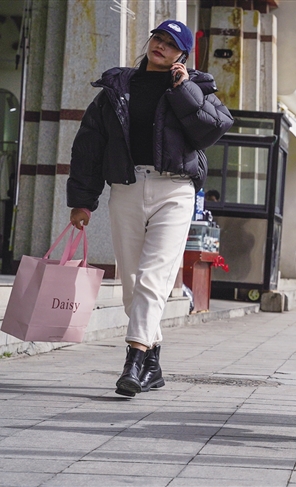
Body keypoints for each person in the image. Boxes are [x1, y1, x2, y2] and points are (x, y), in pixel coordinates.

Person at [67, 20, 233, 397]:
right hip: (126, 187)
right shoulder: (117, 87)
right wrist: (82, 200)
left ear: (182, 55)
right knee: (131, 284)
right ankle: (153, 363)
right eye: (158, 38)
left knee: (153, 278)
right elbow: (89, 145)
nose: (161, 46)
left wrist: (183, 90)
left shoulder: (196, 87)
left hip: (174, 190)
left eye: (171, 44)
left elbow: (211, 130)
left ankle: (134, 361)